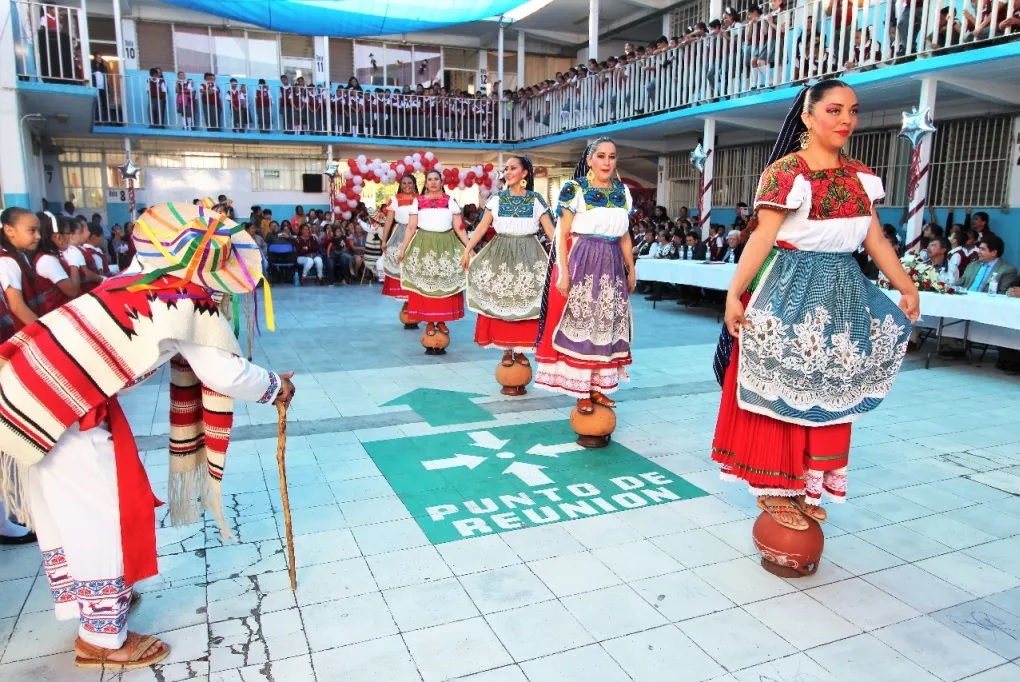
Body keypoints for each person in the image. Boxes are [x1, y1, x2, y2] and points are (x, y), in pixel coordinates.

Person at [0, 199, 294, 671]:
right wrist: (277, 387)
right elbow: (224, 373)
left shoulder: (129, 280)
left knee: (70, 513)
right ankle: (101, 636)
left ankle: (98, 604)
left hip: (34, 394)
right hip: (64, 410)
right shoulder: (183, 298)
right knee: (99, 516)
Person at [710, 80, 919, 531]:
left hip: (843, 287)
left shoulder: (861, 175)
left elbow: (874, 238)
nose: (846, 120)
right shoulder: (787, 172)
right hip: (790, 285)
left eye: (853, 111)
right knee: (782, 384)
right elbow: (762, 238)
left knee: (830, 384)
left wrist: (906, 285)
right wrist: (733, 293)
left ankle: (807, 482)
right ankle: (773, 487)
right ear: (808, 116)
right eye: (835, 110)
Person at [534, 137, 635, 414]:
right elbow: (562, 235)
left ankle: (598, 388)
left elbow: (624, 235)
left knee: (606, 323)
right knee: (582, 324)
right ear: (589, 160)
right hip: (583, 260)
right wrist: (563, 274)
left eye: (612, 156)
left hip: (612, 261)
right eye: (600, 156)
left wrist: (631, 268)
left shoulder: (623, 192)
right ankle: (581, 391)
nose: (606, 162)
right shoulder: (574, 189)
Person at [460, 156, 555, 387]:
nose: (508, 172)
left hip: (529, 255)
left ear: (525, 174)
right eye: (507, 168)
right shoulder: (496, 198)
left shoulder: (536, 200)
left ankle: (521, 350)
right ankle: (506, 348)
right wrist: (467, 250)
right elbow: (482, 227)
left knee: (527, 303)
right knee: (501, 299)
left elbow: (551, 231)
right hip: (500, 253)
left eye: (513, 168)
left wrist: (564, 257)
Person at [398, 169, 469, 349]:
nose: (433, 182)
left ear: (441, 181)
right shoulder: (418, 201)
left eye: (436, 179)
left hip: (446, 245)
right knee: (426, 287)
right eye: (430, 179)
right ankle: (430, 322)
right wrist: (403, 249)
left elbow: (459, 228)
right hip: (423, 246)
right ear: (425, 183)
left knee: (445, 285)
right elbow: (411, 227)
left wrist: (469, 249)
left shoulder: (450, 201)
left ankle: (442, 321)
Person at [381, 175, 419, 312]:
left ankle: (417, 303)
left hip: (418, 234)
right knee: (402, 266)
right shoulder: (395, 200)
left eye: (410, 183)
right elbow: (389, 221)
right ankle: (407, 304)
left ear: (414, 184)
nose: (407, 185)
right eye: (404, 183)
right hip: (400, 235)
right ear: (400, 185)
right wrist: (384, 240)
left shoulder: (420, 199)